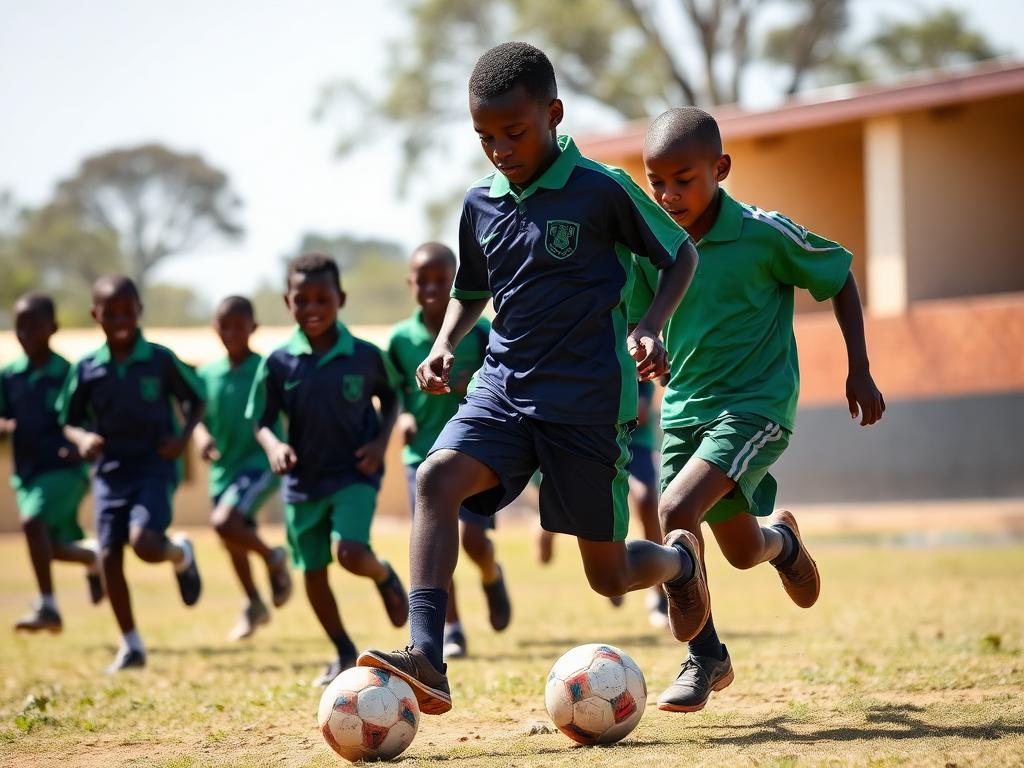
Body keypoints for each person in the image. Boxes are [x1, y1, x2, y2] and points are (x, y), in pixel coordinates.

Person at [358, 42, 700, 715]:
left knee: (608, 576)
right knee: (435, 477)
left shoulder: (600, 189)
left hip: (587, 403)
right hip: (503, 388)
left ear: (553, 114)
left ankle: (680, 564)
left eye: (514, 133)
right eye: (485, 137)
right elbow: (471, 287)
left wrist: (653, 324)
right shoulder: (480, 203)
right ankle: (428, 653)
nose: (500, 150)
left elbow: (679, 253)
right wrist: (444, 344)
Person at [633, 107, 886, 712]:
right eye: (656, 181)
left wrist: (859, 367)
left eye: (684, 179)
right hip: (685, 411)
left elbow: (839, 275)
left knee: (673, 508)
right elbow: (643, 320)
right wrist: (648, 346)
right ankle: (784, 544)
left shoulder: (762, 233)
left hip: (756, 408)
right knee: (743, 551)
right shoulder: (654, 248)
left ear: (720, 168)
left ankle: (704, 656)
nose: (669, 195)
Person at [247, 253, 409, 686]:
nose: (313, 308)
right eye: (303, 300)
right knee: (313, 572)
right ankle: (341, 649)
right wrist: (275, 445)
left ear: (341, 298)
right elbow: (260, 419)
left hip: (355, 473)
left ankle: (383, 574)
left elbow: (392, 399)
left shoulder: (364, 356)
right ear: (288, 302)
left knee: (350, 553)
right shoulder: (278, 363)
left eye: (323, 299)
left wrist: (380, 443)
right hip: (302, 482)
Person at [59, 275, 205, 673]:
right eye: (111, 312)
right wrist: (83, 436)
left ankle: (178, 553)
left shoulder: (159, 359)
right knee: (108, 554)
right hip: (109, 473)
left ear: (140, 312)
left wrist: (182, 440)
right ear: (96, 315)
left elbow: (196, 400)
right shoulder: (88, 368)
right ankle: (131, 645)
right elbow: (68, 419)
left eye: (128, 311)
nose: (121, 319)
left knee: (143, 543)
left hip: (154, 467)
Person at [388, 242, 510, 660]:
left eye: (443, 279)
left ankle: (492, 574)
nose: (432, 287)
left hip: (474, 450)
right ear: (411, 283)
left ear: (457, 282)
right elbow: (393, 393)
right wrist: (402, 416)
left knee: (473, 539)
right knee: (437, 538)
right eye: (424, 279)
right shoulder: (401, 340)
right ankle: (452, 629)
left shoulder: (479, 333)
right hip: (420, 455)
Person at [1, 293, 101, 633]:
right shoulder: (9, 375)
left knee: (32, 523)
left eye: (34, 325)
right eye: (20, 327)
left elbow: (88, 420)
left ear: (53, 328)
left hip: (65, 471)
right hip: (27, 474)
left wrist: (80, 446)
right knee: (48, 546)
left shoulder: (69, 374)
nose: (26, 333)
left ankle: (48, 606)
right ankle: (92, 558)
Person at [195, 296, 292, 641]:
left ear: (253, 328)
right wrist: (201, 437)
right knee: (231, 539)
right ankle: (254, 603)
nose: (232, 332)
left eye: (240, 325)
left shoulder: (266, 368)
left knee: (225, 522)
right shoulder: (207, 374)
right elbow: (197, 418)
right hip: (224, 467)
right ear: (215, 329)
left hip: (258, 463)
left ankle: (273, 556)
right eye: (225, 326)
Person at [534, 378, 668, 625]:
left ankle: (658, 593)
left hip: (633, 443)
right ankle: (548, 530)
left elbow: (640, 413)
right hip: (594, 440)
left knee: (646, 498)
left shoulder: (631, 358)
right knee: (577, 499)